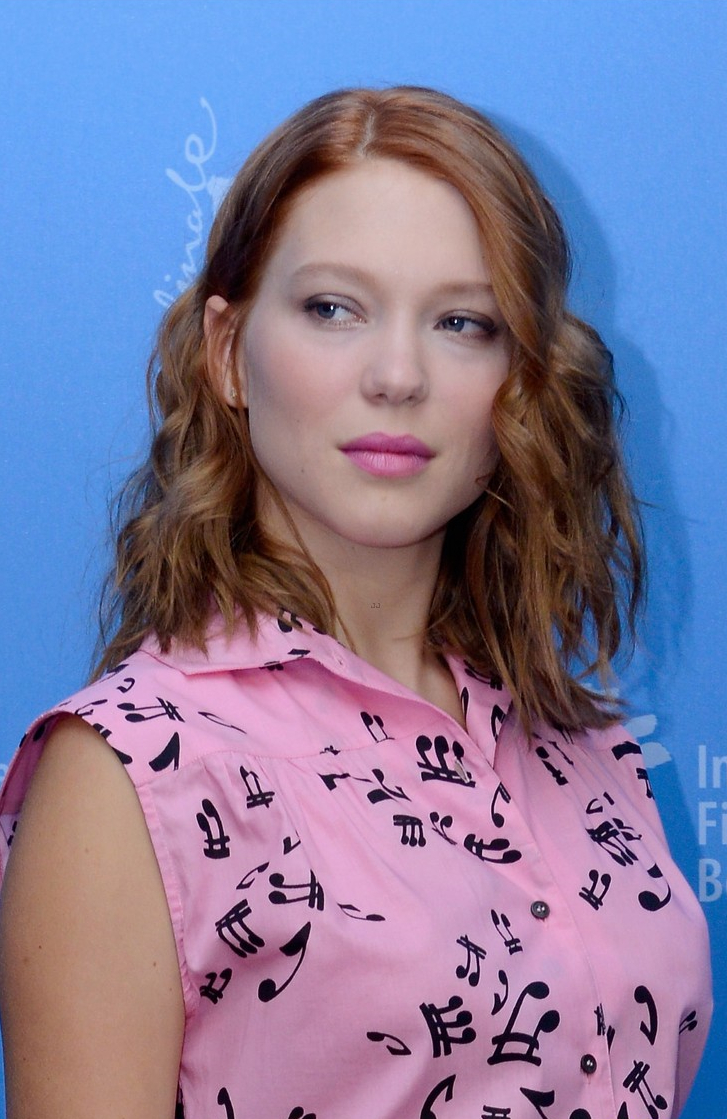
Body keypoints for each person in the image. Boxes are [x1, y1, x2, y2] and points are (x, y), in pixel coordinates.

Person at [0, 86, 711, 1119]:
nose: (396, 375)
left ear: (521, 378)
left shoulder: (583, 742)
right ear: (228, 351)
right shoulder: (134, 772)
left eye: (463, 322)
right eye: (333, 308)